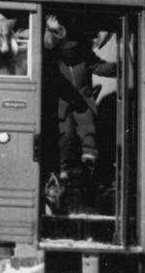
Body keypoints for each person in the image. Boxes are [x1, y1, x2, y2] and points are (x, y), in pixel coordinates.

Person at [42, 14, 117, 207]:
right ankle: (63, 169)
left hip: (83, 100)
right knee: (65, 133)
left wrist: (119, 68)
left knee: (87, 125)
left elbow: (100, 67)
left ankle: (89, 155)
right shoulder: (54, 61)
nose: (70, 50)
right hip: (63, 104)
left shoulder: (84, 58)